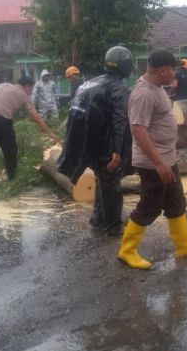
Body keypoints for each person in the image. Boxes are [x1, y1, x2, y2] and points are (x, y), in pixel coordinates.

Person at [118, 49, 187, 269]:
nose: (175, 74)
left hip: (167, 159)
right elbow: (138, 130)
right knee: (150, 206)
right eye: (173, 69)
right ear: (162, 70)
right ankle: (127, 251)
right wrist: (159, 163)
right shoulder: (143, 93)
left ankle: (184, 246)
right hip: (153, 163)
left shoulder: (158, 88)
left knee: (176, 203)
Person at [57, 46, 134, 236]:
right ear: (124, 65)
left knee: (103, 181)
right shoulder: (117, 86)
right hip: (105, 146)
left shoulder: (90, 83)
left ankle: (99, 218)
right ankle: (112, 224)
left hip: (88, 146)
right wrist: (117, 150)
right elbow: (119, 120)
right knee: (111, 184)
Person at [0, 76, 61, 186]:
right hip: (1, 119)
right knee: (10, 149)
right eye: (31, 89)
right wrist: (51, 134)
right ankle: (12, 178)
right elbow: (37, 118)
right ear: (27, 86)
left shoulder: (2, 85)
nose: (30, 92)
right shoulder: (24, 96)